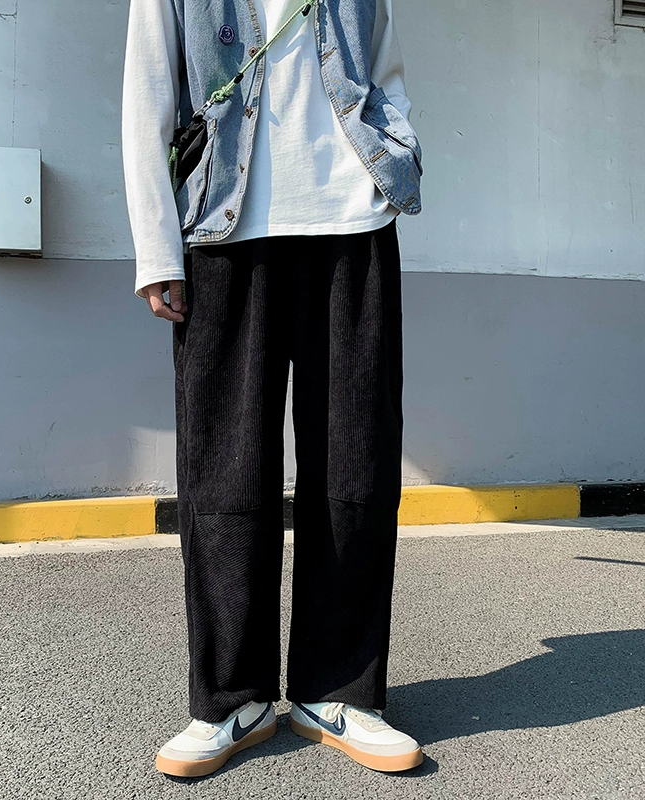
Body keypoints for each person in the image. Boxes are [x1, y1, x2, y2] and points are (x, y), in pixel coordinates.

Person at [121, 0, 424, 778]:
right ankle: (233, 698)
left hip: (354, 226)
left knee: (357, 467)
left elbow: (383, 74)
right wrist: (156, 246)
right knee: (224, 473)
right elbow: (148, 95)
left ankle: (339, 692)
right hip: (223, 233)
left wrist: (397, 156)